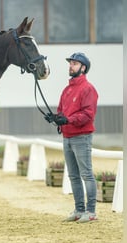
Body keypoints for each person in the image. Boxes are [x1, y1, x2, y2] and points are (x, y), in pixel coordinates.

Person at [45, 52, 99, 223]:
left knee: (86, 174)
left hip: (81, 137)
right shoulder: (67, 89)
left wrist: (68, 119)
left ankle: (90, 211)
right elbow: (62, 110)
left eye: (74, 64)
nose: (71, 66)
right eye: (70, 63)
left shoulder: (88, 89)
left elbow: (88, 114)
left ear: (83, 68)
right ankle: (79, 209)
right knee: (73, 176)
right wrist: (55, 118)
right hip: (67, 137)